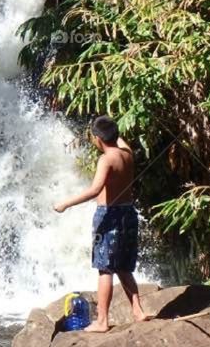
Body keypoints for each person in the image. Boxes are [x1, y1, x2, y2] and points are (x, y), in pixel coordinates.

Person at [53, 116, 148, 332]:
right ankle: (138, 311)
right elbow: (120, 140)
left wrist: (66, 204)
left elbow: (95, 190)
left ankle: (102, 321)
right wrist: (111, 129)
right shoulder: (127, 154)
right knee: (123, 266)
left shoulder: (106, 160)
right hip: (128, 213)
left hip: (109, 215)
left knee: (105, 269)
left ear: (97, 139)